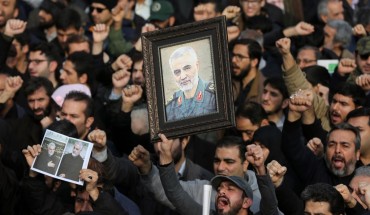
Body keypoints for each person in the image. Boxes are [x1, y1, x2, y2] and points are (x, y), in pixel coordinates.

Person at [165, 46, 216, 121]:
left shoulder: (214, 96)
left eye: (187, 68)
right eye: (177, 72)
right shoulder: (170, 106)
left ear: (197, 66)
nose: (182, 77)